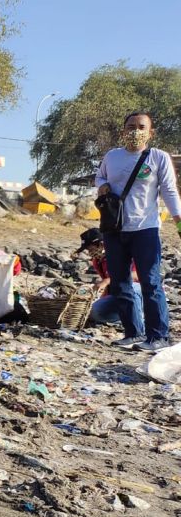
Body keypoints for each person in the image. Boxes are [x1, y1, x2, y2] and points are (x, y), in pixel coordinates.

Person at [96, 111, 181, 351]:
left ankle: (158, 336)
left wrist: (179, 222)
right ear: (123, 130)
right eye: (131, 126)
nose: (135, 131)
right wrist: (102, 185)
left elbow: (169, 191)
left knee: (151, 282)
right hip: (113, 229)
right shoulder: (112, 156)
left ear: (150, 132)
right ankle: (133, 333)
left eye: (141, 126)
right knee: (121, 283)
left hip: (145, 228)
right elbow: (99, 176)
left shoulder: (158, 157)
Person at [76, 228, 143, 326]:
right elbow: (110, 287)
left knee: (130, 287)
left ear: (102, 244)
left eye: (91, 249)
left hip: (141, 292)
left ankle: (139, 321)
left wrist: (108, 280)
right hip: (120, 295)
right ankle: (125, 317)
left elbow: (137, 275)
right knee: (94, 312)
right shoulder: (98, 262)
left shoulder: (123, 252)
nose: (90, 253)